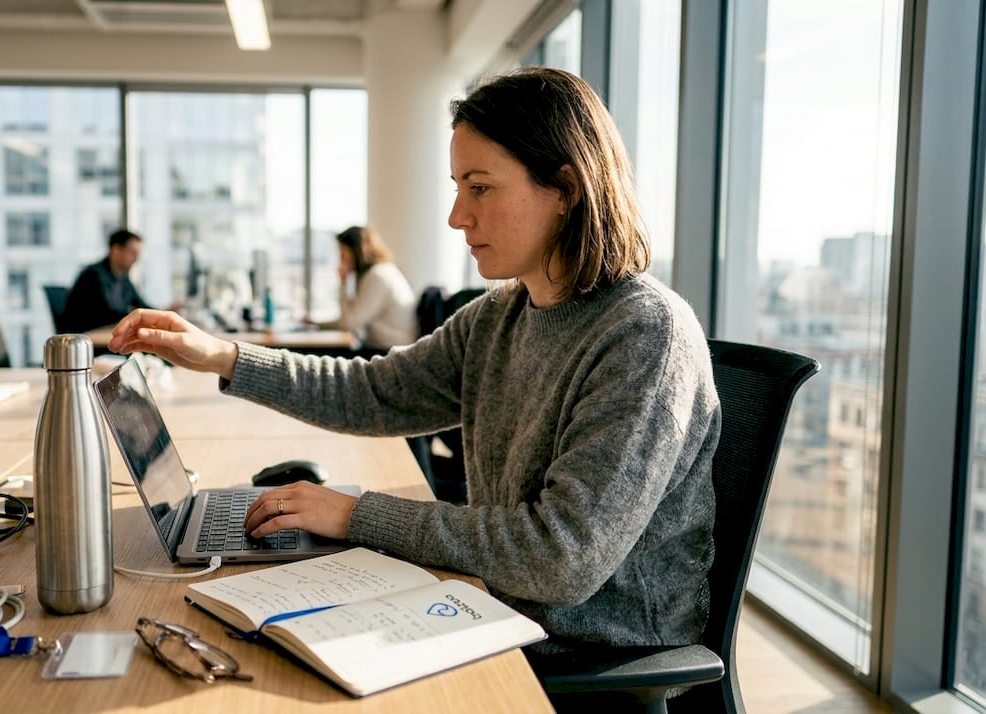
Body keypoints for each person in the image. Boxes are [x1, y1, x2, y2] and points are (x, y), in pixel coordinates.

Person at [109, 67, 720, 705]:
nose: (459, 216)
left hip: (589, 651)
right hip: (489, 600)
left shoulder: (645, 334)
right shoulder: (503, 315)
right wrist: (221, 356)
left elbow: (559, 556)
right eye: (458, 187)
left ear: (564, 188)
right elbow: (374, 393)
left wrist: (355, 514)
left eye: (480, 188)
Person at [314, 226, 417, 351]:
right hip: (384, 347)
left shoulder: (377, 276)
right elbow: (347, 319)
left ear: (356, 251)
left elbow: (348, 323)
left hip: (390, 351)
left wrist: (342, 283)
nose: (341, 260)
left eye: (343, 254)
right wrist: (317, 324)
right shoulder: (376, 273)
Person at [62, 229, 152, 333]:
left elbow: (141, 304)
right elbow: (106, 314)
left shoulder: (123, 277)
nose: (136, 259)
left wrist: (162, 313)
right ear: (116, 250)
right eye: (132, 253)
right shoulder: (93, 275)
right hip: (88, 334)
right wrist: (134, 313)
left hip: (107, 331)